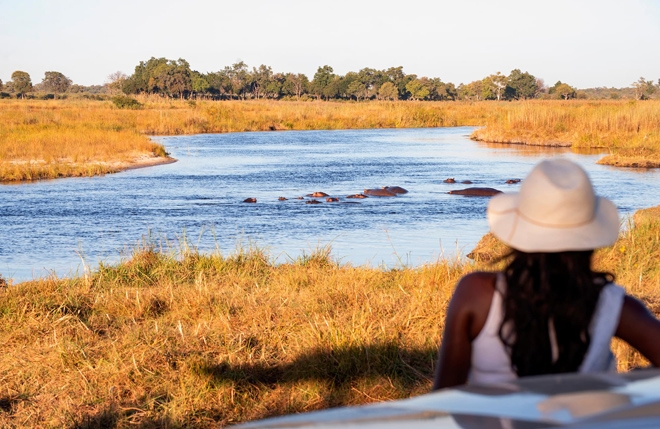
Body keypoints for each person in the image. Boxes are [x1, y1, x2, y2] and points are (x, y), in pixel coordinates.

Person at [433, 158, 660, 390]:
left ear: (518, 231)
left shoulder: (476, 292)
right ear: (590, 238)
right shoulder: (614, 304)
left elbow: (445, 395)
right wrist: (626, 384)